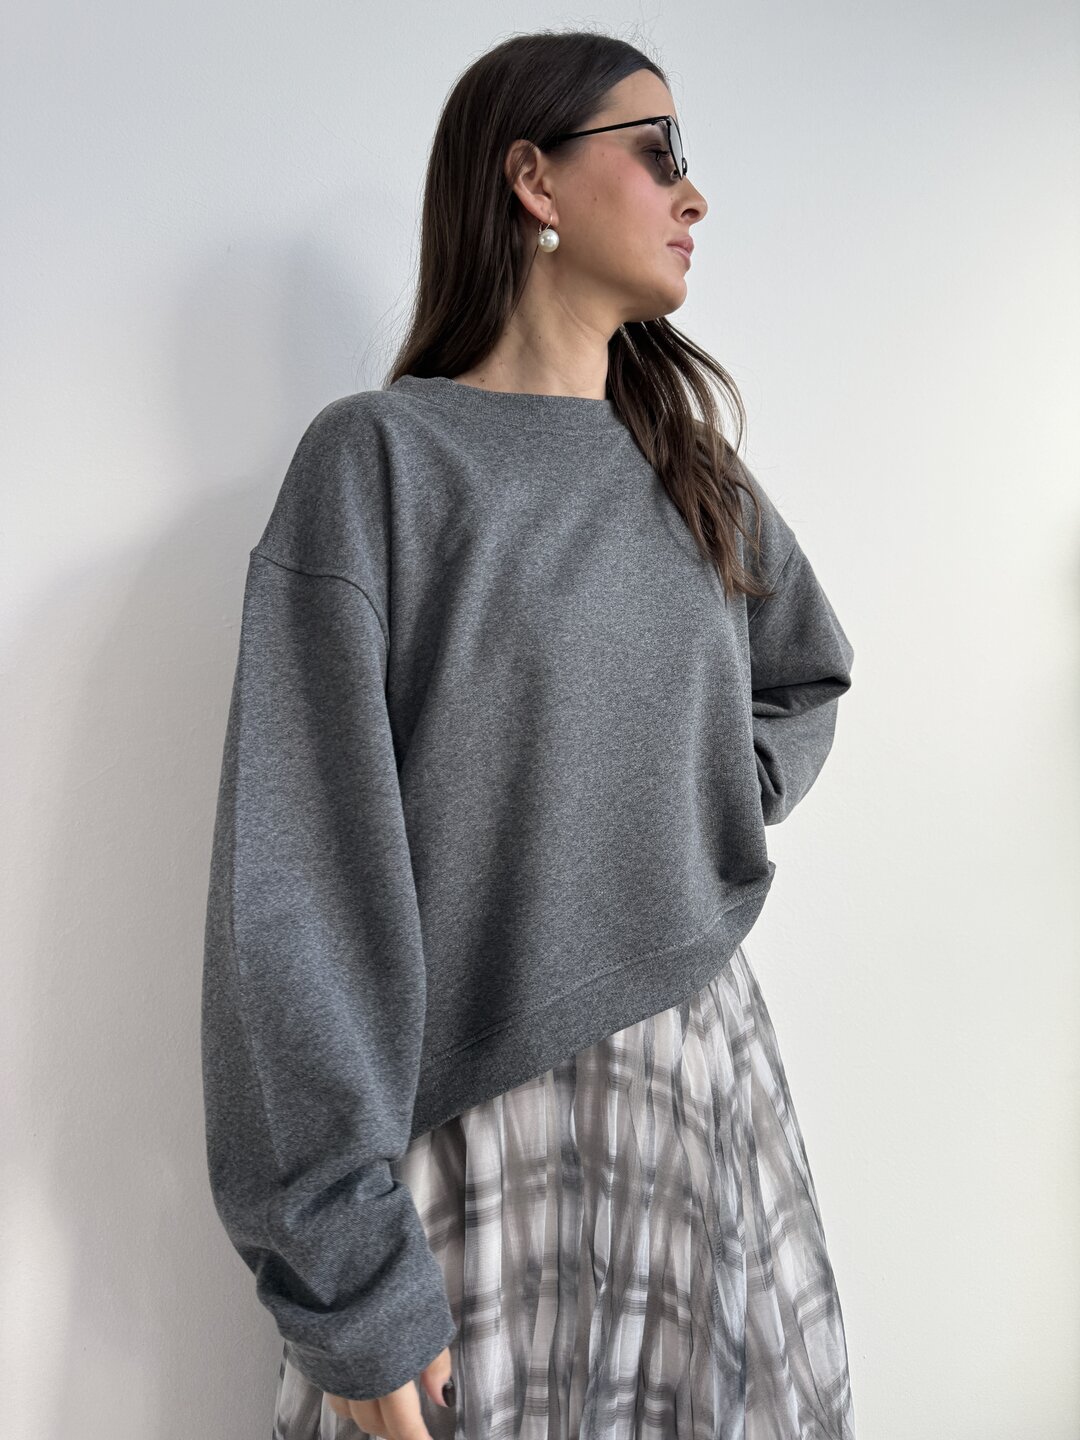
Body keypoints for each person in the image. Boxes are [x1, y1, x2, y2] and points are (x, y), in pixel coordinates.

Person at [201, 28, 858, 1440]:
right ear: (533, 179)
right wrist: (351, 1285)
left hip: (697, 1098)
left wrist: (701, 805)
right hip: (472, 1133)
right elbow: (296, 897)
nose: (693, 194)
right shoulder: (380, 463)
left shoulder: (690, 472)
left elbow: (805, 674)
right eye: (658, 153)